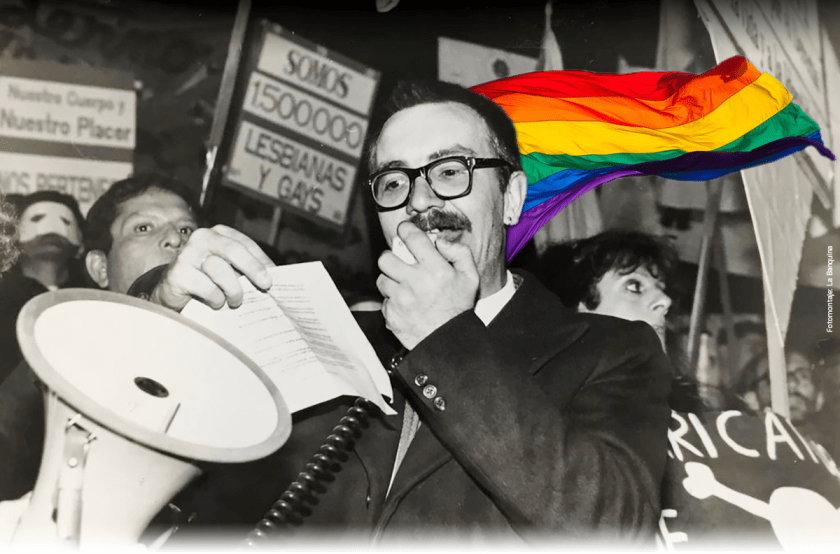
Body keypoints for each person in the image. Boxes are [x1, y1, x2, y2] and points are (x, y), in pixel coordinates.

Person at [540, 230, 840, 548]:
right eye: (634, 286)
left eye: (661, 288)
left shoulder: (720, 419)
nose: (665, 301)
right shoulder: (556, 440)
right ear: (577, 313)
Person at [0, 191, 90, 384]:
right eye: (37, 219)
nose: (51, 230)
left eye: (65, 221)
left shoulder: (91, 300)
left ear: (81, 242)